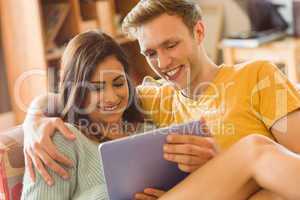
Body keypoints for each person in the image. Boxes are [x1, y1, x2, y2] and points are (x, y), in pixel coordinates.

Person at [23, 0, 300, 199]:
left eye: (171, 45)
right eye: (151, 53)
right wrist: (33, 120)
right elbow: (75, 97)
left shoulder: (258, 75)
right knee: (254, 150)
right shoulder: (152, 97)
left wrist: (219, 166)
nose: (163, 62)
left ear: (199, 32)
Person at [21, 30, 158, 199]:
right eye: (96, 88)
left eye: (118, 83)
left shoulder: (149, 133)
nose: (111, 97)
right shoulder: (62, 141)